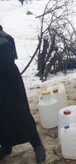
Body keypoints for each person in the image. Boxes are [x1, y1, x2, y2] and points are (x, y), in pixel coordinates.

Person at [0, 25, 46, 163]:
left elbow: (8, 60)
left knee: (20, 114)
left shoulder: (3, 40)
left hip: (9, 84)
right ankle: (6, 145)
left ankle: (37, 145)